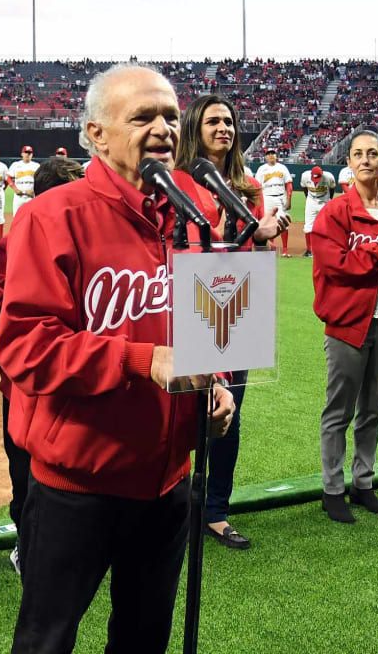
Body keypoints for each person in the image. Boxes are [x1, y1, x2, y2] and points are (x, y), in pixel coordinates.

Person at [0, 65, 234, 653]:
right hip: (79, 480)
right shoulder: (50, 216)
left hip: (168, 479)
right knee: (46, 641)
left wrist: (220, 384)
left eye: (171, 117)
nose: (163, 128)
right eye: (143, 117)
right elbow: (24, 346)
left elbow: (218, 327)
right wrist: (140, 359)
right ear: (97, 134)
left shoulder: (200, 208)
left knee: (143, 639)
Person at [170, 92, 286, 551]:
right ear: (195, 127)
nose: (224, 129)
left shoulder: (247, 182)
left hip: (238, 300)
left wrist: (263, 233)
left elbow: (249, 245)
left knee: (229, 414)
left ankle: (216, 511)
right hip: (190, 299)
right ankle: (178, 506)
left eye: (230, 122)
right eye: (214, 121)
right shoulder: (178, 180)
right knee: (184, 412)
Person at [309, 131, 378, 523]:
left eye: (372, 153)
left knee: (372, 411)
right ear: (349, 162)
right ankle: (332, 489)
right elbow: (336, 267)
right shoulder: (335, 212)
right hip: (348, 324)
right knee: (339, 412)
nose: (365, 160)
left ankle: (363, 483)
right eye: (357, 154)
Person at [0, 157, 85, 575]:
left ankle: (75, 546)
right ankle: (28, 547)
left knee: (75, 468)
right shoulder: (19, 239)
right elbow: (2, 308)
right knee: (25, 469)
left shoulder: (85, 233)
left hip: (75, 376)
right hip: (27, 383)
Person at [255, 149, 294, 256]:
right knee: (267, 223)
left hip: (280, 198)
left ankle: (285, 250)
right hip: (266, 197)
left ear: (276, 156)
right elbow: (257, 186)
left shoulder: (282, 168)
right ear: (265, 157)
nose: (271, 156)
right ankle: (270, 247)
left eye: (273, 154)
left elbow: (289, 184)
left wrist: (289, 199)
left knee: (283, 223)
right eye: (268, 154)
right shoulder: (261, 169)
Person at [299, 164, 335, 257]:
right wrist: (308, 198)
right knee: (308, 225)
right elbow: (304, 187)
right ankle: (309, 251)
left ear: (322, 174)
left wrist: (330, 199)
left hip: (324, 200)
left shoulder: (328, 177)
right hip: (311, 200)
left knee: (328, 225)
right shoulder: (305, 176)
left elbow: (332, 188)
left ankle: (327, 249)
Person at [8, 146, 39, 218]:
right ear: (22, 154)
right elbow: (8, 178)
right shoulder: (15, 165)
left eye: (29, 153)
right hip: (18, 196)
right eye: (26, 152)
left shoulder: (36, 166)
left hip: (31, 196)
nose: (27, 154)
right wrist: (15, 189)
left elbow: (40, 180)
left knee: (31, 218)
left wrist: (34, 190)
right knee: (16, 218)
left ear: (32, 155)